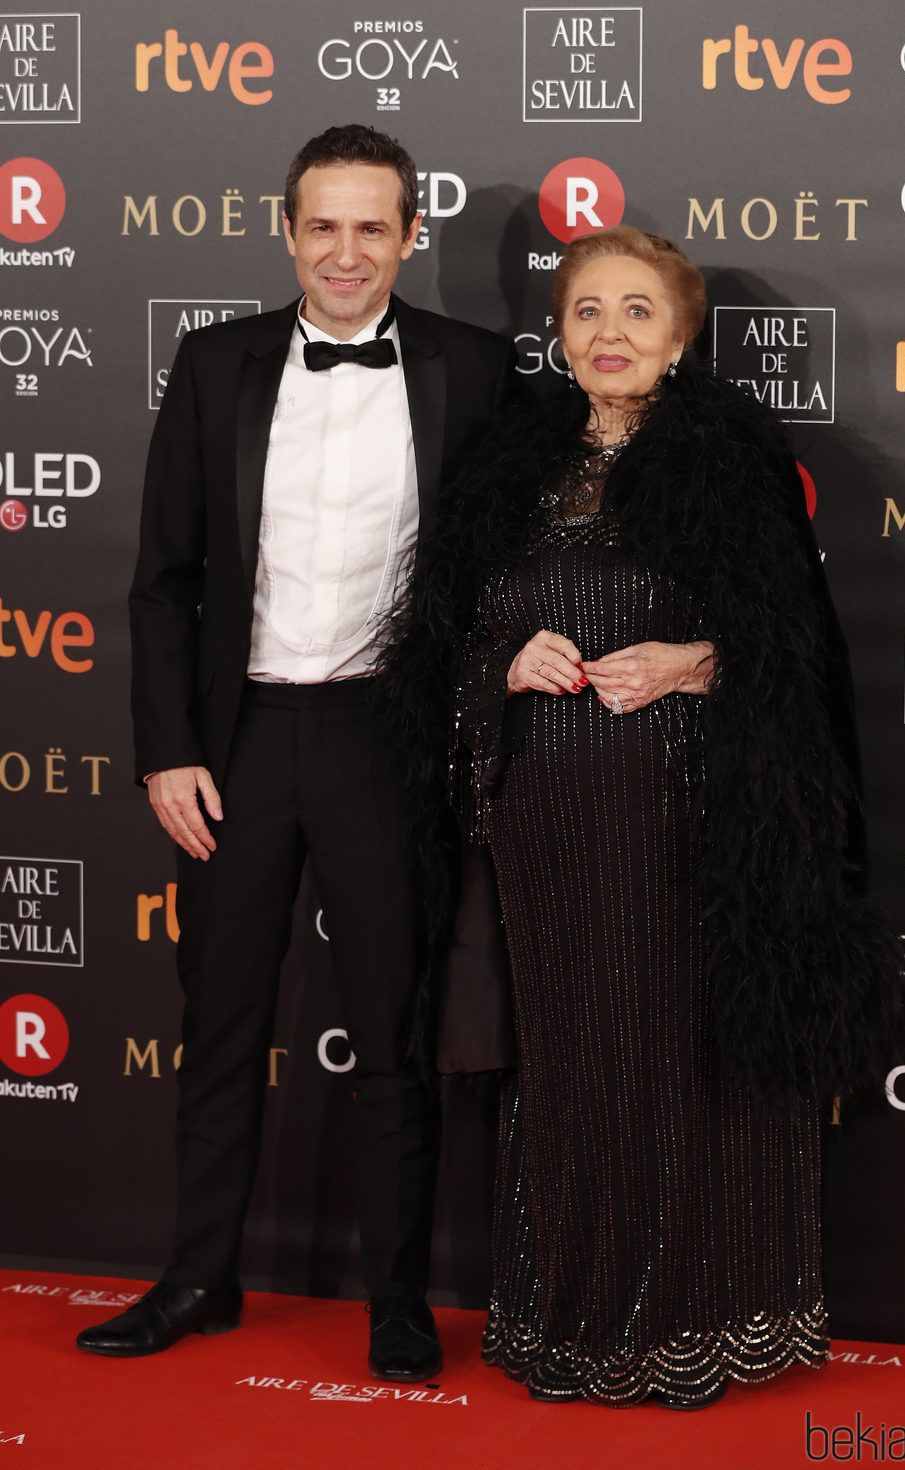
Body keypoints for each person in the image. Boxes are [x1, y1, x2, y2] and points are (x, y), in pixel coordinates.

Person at [385, 228, 901, 1406]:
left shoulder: (731, 462)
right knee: (571, 1070)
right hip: (543, 825)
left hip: (689, 819)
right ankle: (571, 1319)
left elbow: (792, 650)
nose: (608, 334)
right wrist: (504, 664)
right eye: (585, 312)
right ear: (557, 335)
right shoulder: (503, 469)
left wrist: (691, 660)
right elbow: (446, 651)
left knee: (683, 1059)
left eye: (635, 312)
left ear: (679, 335)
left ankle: (702, 1316)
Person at [75, 123, 515, 1378]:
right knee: (218, 1026)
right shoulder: (214, 365)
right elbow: (162, 583)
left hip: (387, 739)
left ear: (409, 237)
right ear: (285, 231)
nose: (345, 250)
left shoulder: (475, 371)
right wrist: (165, 751)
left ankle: (396, 1298)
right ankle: (198, 1279)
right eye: (321, 224)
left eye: (372, 226)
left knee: (393, 1033)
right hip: (238, 743)